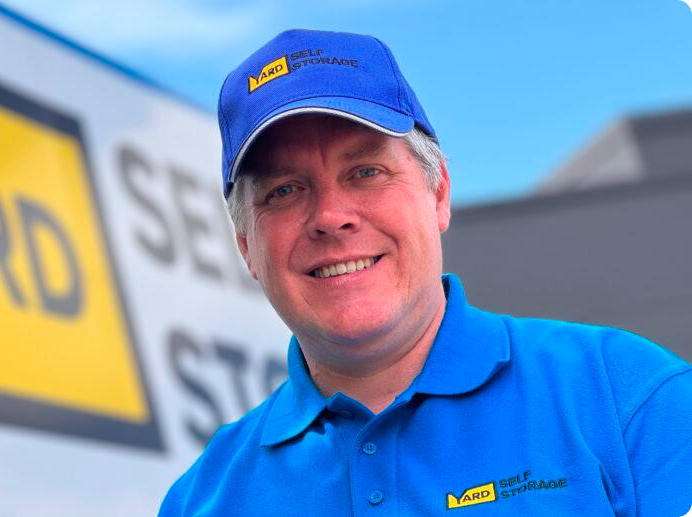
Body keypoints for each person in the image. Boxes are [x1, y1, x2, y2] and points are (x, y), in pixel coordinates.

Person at [158, 29, 692, 516]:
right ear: (247, 246)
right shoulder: (200, 500)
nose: (330, 216)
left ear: (438, 194)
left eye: (366, 171)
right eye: (284, 191)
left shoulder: (632, 400)